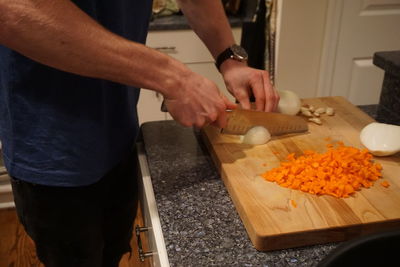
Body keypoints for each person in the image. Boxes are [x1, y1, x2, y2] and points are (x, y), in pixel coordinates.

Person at [0, 0, 279, 266]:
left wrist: (228, 56)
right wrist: (173, 78)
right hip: (54, 144)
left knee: (111, 252)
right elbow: (13, 10)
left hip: (119, 129)